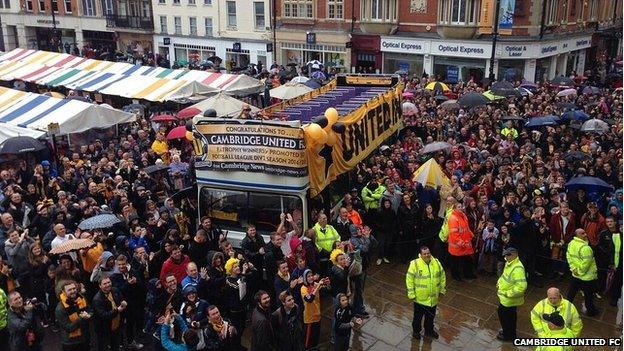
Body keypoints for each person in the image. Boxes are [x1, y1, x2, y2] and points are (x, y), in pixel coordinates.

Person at [406, 246, 445, 340]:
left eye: (428, 253)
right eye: (425, 254)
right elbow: (409, 279)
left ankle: (429, 330)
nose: (427, 255)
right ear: (421, 254)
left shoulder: (436, 262)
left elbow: (442, 276)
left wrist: (442, 290)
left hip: (433, 299)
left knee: (430, 317)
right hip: (420, 298)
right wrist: (411, 294)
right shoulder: (414, 264)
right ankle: (416, 331)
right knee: (417, 318)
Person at [566, 228, 599, 316]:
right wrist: (580, 272)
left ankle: (566, 307)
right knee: (588, 295)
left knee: (571, 293)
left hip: (575, 275)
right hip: (587, 277)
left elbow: (568, 256)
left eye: (584, 233)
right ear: (577, 236)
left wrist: (573, 269)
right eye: (582, 233)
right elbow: (586, 264)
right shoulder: (586, 248)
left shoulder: (571, 244)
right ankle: (591, 311)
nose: (585, 234)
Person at [496, 247, 527, 341]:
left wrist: (508, 294)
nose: (505, 257)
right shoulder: (510, 263)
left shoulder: (518, 269)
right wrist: (499, 282)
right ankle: (508, 331)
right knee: (507, 315)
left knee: (506, 316)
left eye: (507, 255)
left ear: (514, 255)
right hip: (506, 298)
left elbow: (521, 287)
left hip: (509, 299)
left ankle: (508, 335)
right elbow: (504, 275)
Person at [56, 281, 92, 351]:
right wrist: (81, 318)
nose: (73, 291)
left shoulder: (81, 298)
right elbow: (68, 328)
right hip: (71, 342)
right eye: (69, 290)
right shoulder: (60, 308)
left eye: (74, 288)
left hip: (85, 337)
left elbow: (89, 310)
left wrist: (89, 315)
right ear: (63, 291)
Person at [92, 276, 126, 351]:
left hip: (116, 324)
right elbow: (104, 315)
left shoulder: (115, 290)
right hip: (104, 328)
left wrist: (123, 301)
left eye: (109, 282)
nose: (108, 285)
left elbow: (121, 298)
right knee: (103, 346)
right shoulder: (97, 299)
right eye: (105, 283)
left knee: (115, 344)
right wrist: (117, 310)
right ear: (100, 286)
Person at [596, 216, 622, 306]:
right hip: (606, 260)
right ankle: (601, 290)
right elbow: (599, 245)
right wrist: (607, 253)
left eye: (611, 221)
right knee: (603, 277)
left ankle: (615, 297)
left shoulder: (620, 233)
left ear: (615, 222)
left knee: (617, 280)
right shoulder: (604, 233)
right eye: (607, 222)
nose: (609, 223)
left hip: (619, 261)